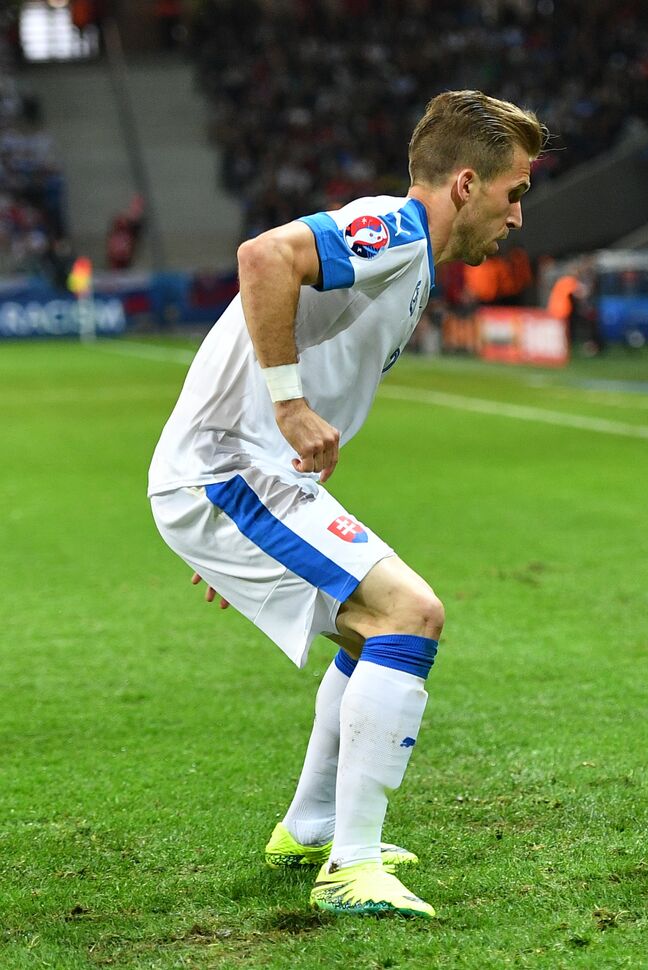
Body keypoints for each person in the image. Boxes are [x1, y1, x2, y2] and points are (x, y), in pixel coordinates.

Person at [148, 90, 545, 917]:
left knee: (373, 627)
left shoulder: (415, 265)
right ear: (465, 184)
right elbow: (263, 257)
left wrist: (238, 541)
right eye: (514, 194)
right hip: (226, 473)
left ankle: (312, 826)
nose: (516, 217)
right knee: (409, 612)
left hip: (241, 483)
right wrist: (288, 408)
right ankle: (352, 865)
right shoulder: (396, 231)